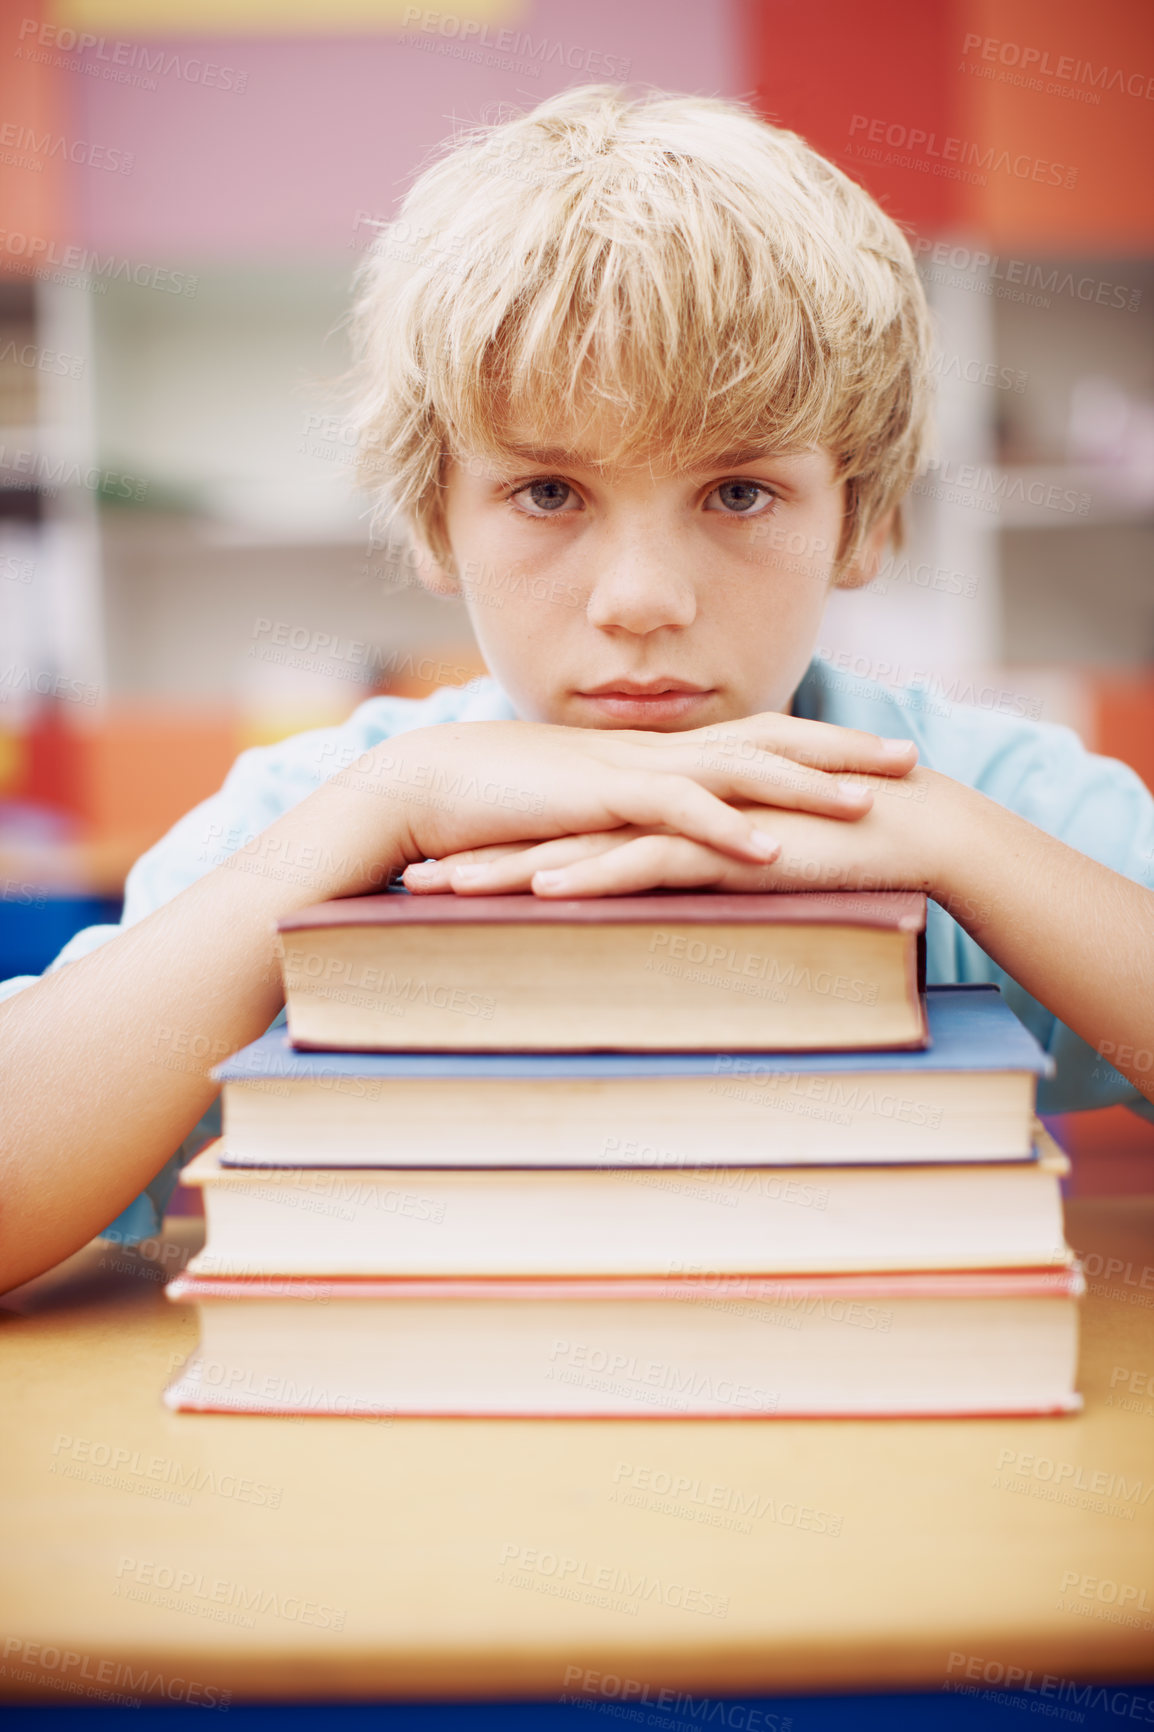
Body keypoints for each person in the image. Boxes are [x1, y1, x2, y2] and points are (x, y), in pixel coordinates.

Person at [1, 85, 1151, 1293]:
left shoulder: (990, 797)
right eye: (549, 494)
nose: (641, 599)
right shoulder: (315, 810)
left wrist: (958, 845)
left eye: (737, 492)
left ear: (860, 517)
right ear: (434, 522)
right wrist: (378, 810)